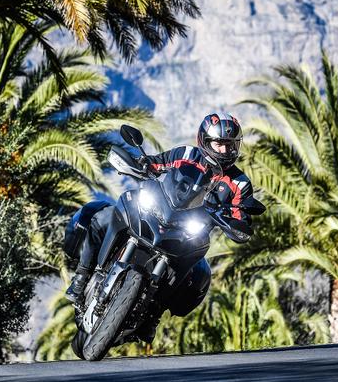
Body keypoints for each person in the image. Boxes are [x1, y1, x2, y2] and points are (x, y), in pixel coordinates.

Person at [65, 113, 255, 341]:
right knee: (102, 216)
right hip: (157, 212)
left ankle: (154, 315)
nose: (224, 150)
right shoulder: (187, 154)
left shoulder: (240, 183)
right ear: (204, 141)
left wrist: (238, 221)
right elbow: (158, 163)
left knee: (198, 273)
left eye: (230, 145)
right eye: (219, 144)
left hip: (189, 233)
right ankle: (81, 276)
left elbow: (240, 212)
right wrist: (142, 164)